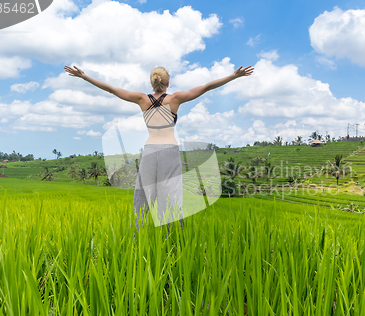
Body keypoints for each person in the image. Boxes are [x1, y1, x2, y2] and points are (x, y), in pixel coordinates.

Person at [64, 64, 254, 232]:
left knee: (142, 196)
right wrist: (233, 76)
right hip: (169, 151)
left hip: (149, 151)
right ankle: (175, 239)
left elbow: (112, 89)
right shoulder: (175, 99)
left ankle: (138, 236)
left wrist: (85, 76)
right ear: (167, 83)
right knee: (172, 196)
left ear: (151, 83)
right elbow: (206, 87)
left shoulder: (141, 99)